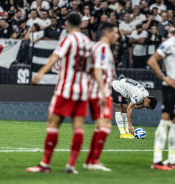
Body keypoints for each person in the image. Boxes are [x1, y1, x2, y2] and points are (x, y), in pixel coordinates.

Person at [26, 12, 93, 174]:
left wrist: (41, 73)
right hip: (83, 90)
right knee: (78, 127)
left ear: (67, 24)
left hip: (66, 88)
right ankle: (71, 165)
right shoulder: (89, 42)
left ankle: (45, 164)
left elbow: (55, 56)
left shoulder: (68, 39)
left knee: (53, 123)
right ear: (81, 24)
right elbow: (91, 68)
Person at [147, 16, 175, 171]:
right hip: (171, 89)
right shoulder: (168, 44)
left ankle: (173, 161)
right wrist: (165, 78)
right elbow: (152, 61)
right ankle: (157, 161)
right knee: (166, 122)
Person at [84, 22, 119, 172]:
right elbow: (97, 70)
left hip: (94, 91)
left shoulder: (96, 47)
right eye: (116, 33)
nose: (117, 36)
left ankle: (90, 161)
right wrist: (104, 92)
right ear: (108, 33)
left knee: (100, 127)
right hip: (100, 93)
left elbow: (90, 69)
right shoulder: (103, 48)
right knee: (105, 127)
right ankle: (94, 161)